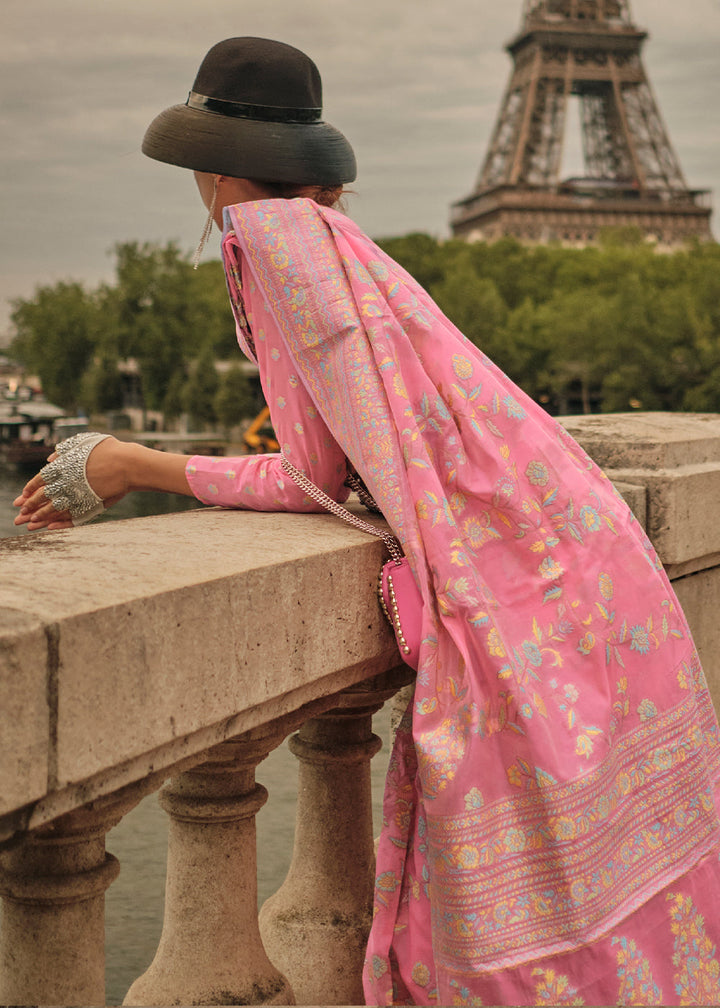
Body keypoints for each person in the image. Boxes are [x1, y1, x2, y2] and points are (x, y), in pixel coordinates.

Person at [13, 37, 720, 1007]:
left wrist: (134, 464)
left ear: (214, 168)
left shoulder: (267, 248)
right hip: (585, 543)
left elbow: (310, 478)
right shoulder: (335, 244)